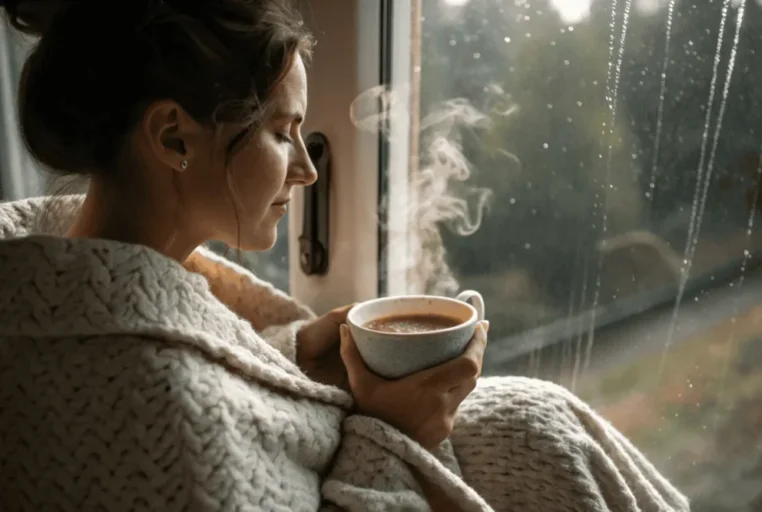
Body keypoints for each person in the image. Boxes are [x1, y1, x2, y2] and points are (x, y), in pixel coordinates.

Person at [0, 1, 689, 510]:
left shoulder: (59, 287)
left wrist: (290, 355)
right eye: (282, 133)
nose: (307, 169)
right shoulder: (162, 413)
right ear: (175, 137)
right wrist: (394, 434)